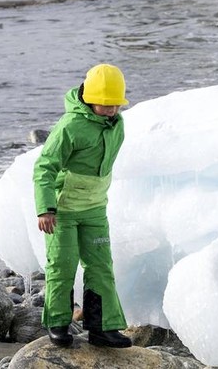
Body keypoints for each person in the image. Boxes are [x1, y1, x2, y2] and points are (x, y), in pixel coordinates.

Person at [34, 63, 132, 349]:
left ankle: (102, 328)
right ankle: (58, 323)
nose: (112, 110)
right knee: (62, 266)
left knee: (101, 265)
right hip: (62, 212)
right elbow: (44, 167)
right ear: (89, 98)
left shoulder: (117, 125)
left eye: (116, 104)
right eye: (105, 105)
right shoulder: (70, 126)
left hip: (95, 210)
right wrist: (45, 208)